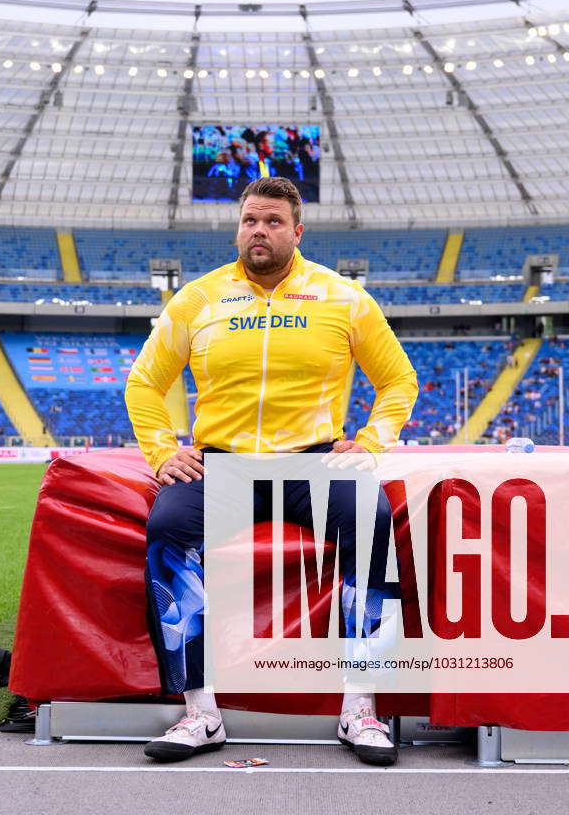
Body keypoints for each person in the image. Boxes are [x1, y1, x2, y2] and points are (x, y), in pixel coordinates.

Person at [126, 176, 418, 766]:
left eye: (273, 221)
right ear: (239, 228)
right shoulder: (197, 299)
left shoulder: (342, 297)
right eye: (250, 220)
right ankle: (200, 711)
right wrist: (162, 450)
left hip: (313, 459)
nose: (259, 230)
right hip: (223, 462)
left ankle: (360, 709)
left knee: (372, 519)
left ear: (297, 231)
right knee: (168, 529)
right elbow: (144, 383)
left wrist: (370, 442)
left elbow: (398, 381)